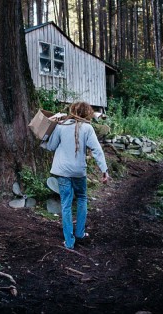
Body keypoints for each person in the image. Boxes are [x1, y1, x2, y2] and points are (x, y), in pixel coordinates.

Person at [45, 101, 109, 249]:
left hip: (62, 171)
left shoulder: (61, 126)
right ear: (87, 112)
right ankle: (80, 233)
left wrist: (43, 140)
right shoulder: (87, 128)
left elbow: (50, 146)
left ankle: (69, 242)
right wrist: (104, 171)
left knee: (66, 205)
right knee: (81, 199)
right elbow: (97, 150)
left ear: (72, 110)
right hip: (78, 172)